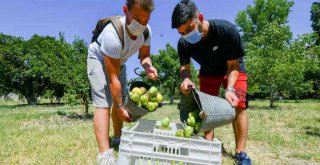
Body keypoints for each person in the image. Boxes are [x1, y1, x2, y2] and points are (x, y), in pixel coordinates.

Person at [171, 0, 251, 164]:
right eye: (181, 32)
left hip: (233, 69)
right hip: (208, 72)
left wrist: (230, 89)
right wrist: (185, 78)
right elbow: (184, 67)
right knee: (205, 109)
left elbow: (234, 65)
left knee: (239, 106)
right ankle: (208, 146)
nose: (186, 35)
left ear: (200, 17)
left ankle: (240, 153)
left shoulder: (226, 30)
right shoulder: (184, 43)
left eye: (189, 29)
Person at [87, 0, 158, 164]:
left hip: (120, 61)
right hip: (98, 58)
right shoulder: (113, 34)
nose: (141, 24)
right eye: (137, 19)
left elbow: (145, 55)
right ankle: (104, 154)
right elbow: (113, 80)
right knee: (104, 102)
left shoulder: (146, 32)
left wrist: (148, 67)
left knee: (121, 98)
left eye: (145, 20)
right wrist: (118, 107)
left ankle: (118, 139)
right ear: (126, 10)